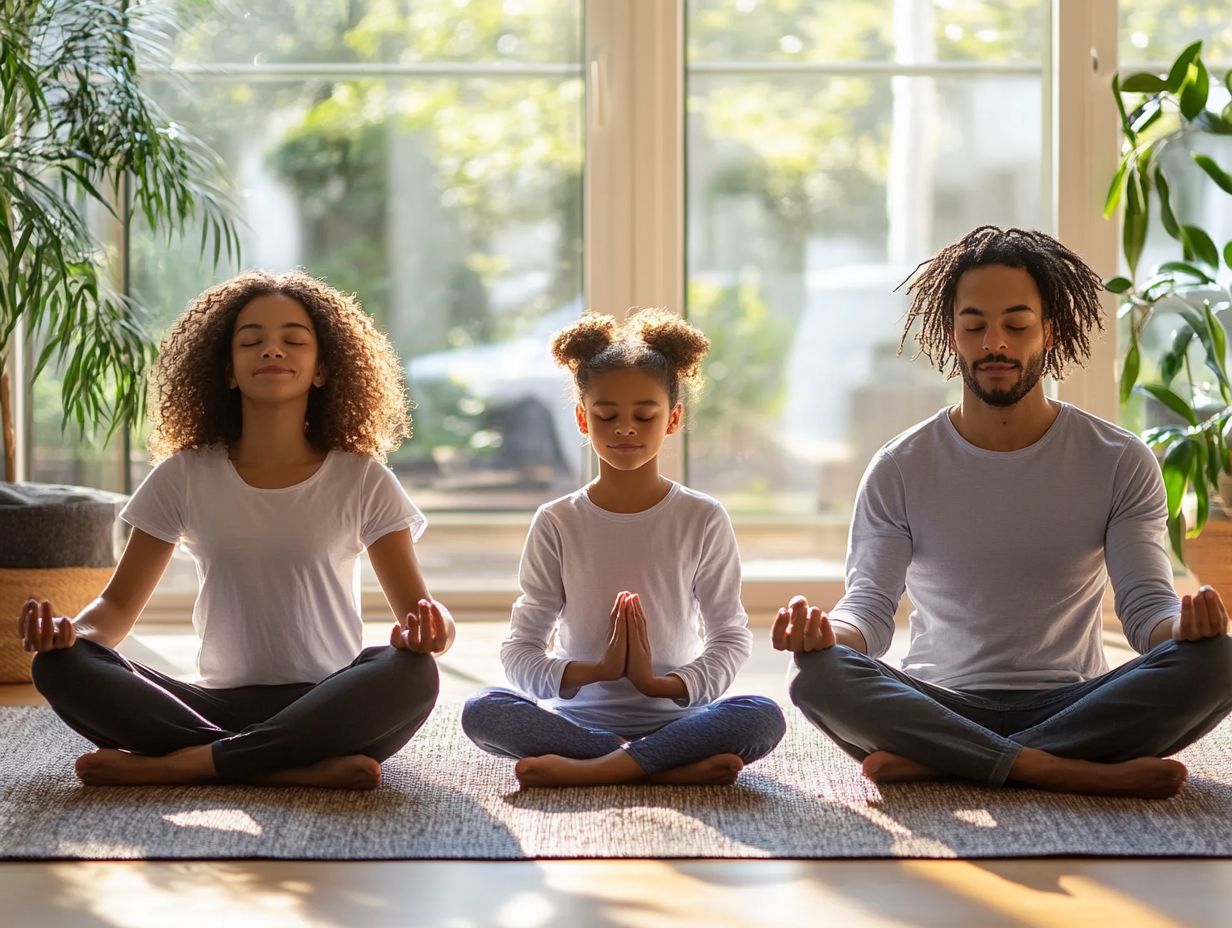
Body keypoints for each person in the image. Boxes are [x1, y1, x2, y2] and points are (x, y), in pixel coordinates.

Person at [775, 225, 1232, 800]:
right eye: (975, 326)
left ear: (1049, 331)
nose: (995, 343)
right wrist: (825, 634)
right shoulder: (899, 466)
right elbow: (867, 611)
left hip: (1075, 698)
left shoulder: (1118, 460)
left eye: (1016, 325)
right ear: (951, 335)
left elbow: (1145, 611)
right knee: (817, 675)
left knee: (1218, 661)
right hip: (939, 699)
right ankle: (1057, 769)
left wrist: (1184, 629)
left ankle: (946, 761)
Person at [17, 270, 454, 790]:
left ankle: (191, 764)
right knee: (60, 666)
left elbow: (423, 618)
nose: (272, 349)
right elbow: (113, 611)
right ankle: (288, 767)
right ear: (227, 371)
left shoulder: (362, 477)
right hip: (211, 704)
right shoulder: (183, 474)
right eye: (252, 341)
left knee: (411, 672)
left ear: (321, 370)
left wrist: (434, 629)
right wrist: (70, 634)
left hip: (329, 699)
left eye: (293, 340)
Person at [461, 309, 785, 787]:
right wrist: (594, 671)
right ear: (581, 418)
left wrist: (659, 684)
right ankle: (657, 766)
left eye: (644, 415)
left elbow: (730, 636)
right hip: (577, 722)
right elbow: (521, 650)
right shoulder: (558, 521)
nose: (625, 428)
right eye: (606, 415)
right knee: (483, 710)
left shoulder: (701, 516)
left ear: (673, 418)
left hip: (679, 719)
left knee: (761, 714)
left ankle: (600, 770)